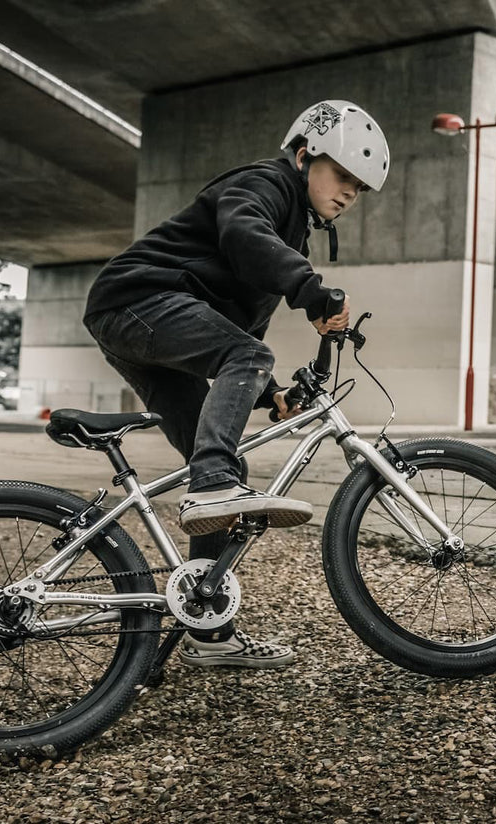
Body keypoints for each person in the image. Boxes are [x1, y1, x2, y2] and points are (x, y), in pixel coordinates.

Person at [83, 100, 390, 668]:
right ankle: (213, 484)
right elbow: (242, 232)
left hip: (138, 320)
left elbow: (238, 329)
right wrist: (312, 291)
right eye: (342, 175)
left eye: (359, 187)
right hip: (136, 300)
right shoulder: (264, 184)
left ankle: (208, 632)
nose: (349, 192)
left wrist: (271, 389)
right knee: (218, 470)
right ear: (303, 157)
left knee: (225, 459)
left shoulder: (290, 236)